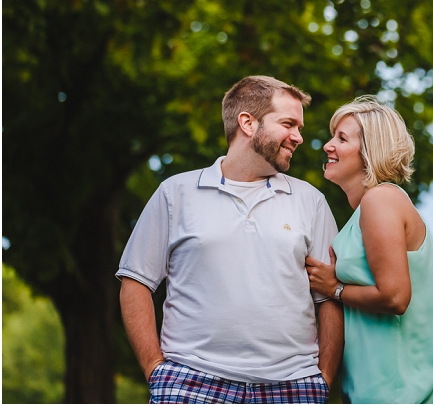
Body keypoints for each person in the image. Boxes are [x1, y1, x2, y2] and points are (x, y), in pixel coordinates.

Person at [117, 75, 342, 404]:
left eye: (300, 128)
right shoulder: (175, 193)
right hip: (190, 383)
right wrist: (156, 370)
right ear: (248, 123)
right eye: (289, 124)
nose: (298, 137)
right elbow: (135, 282)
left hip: (293, 387)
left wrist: (323, 379)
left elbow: (328, 298)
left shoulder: (310, 201)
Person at [306, 96, 433, 404]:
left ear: (370, 151)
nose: (328, 145)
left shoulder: (381, 200)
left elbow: (395, 296)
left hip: (395, 393)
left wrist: (335, 288)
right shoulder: (362, 213)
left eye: (342, 138)